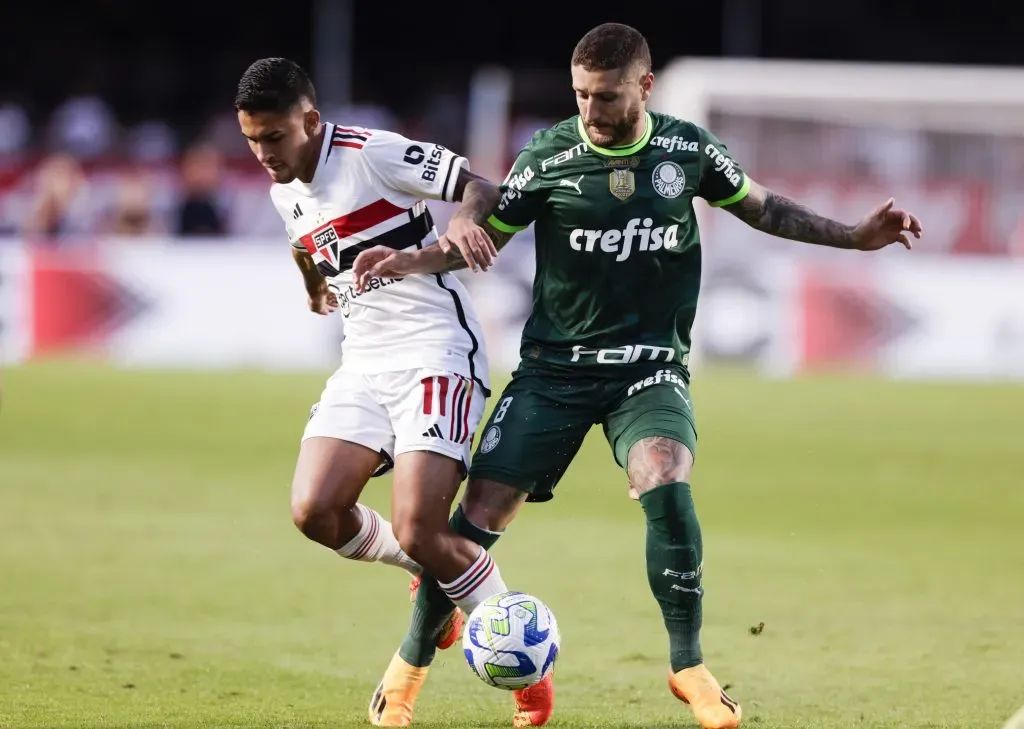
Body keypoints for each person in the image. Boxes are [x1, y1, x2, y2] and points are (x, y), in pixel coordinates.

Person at [353, 23, 922, 729]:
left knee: (665, 472)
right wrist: (407, 259)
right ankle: (407, 667)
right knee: (477, 517)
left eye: (606, 95)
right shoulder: (550, 156)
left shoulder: (688, 150)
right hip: (554, 371)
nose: (590, 110)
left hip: (649, 368)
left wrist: (855, 236)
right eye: (581, 94)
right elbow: (479, 239)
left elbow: (764, 208)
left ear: (644, 86)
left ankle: (688, 666)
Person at [233, 57, 517, 724]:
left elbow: (479, 184)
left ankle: (525, 665)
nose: (263, 154)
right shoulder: (283, 189)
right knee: (315, 510)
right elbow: (308, 240)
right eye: (251, 139)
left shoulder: (370, 153)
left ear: (309, 120)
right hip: (363, 360)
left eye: (274, 137)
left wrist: (461, 224)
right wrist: (313, 284)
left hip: (434, 351)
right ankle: (430, 570)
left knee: (423, 524)